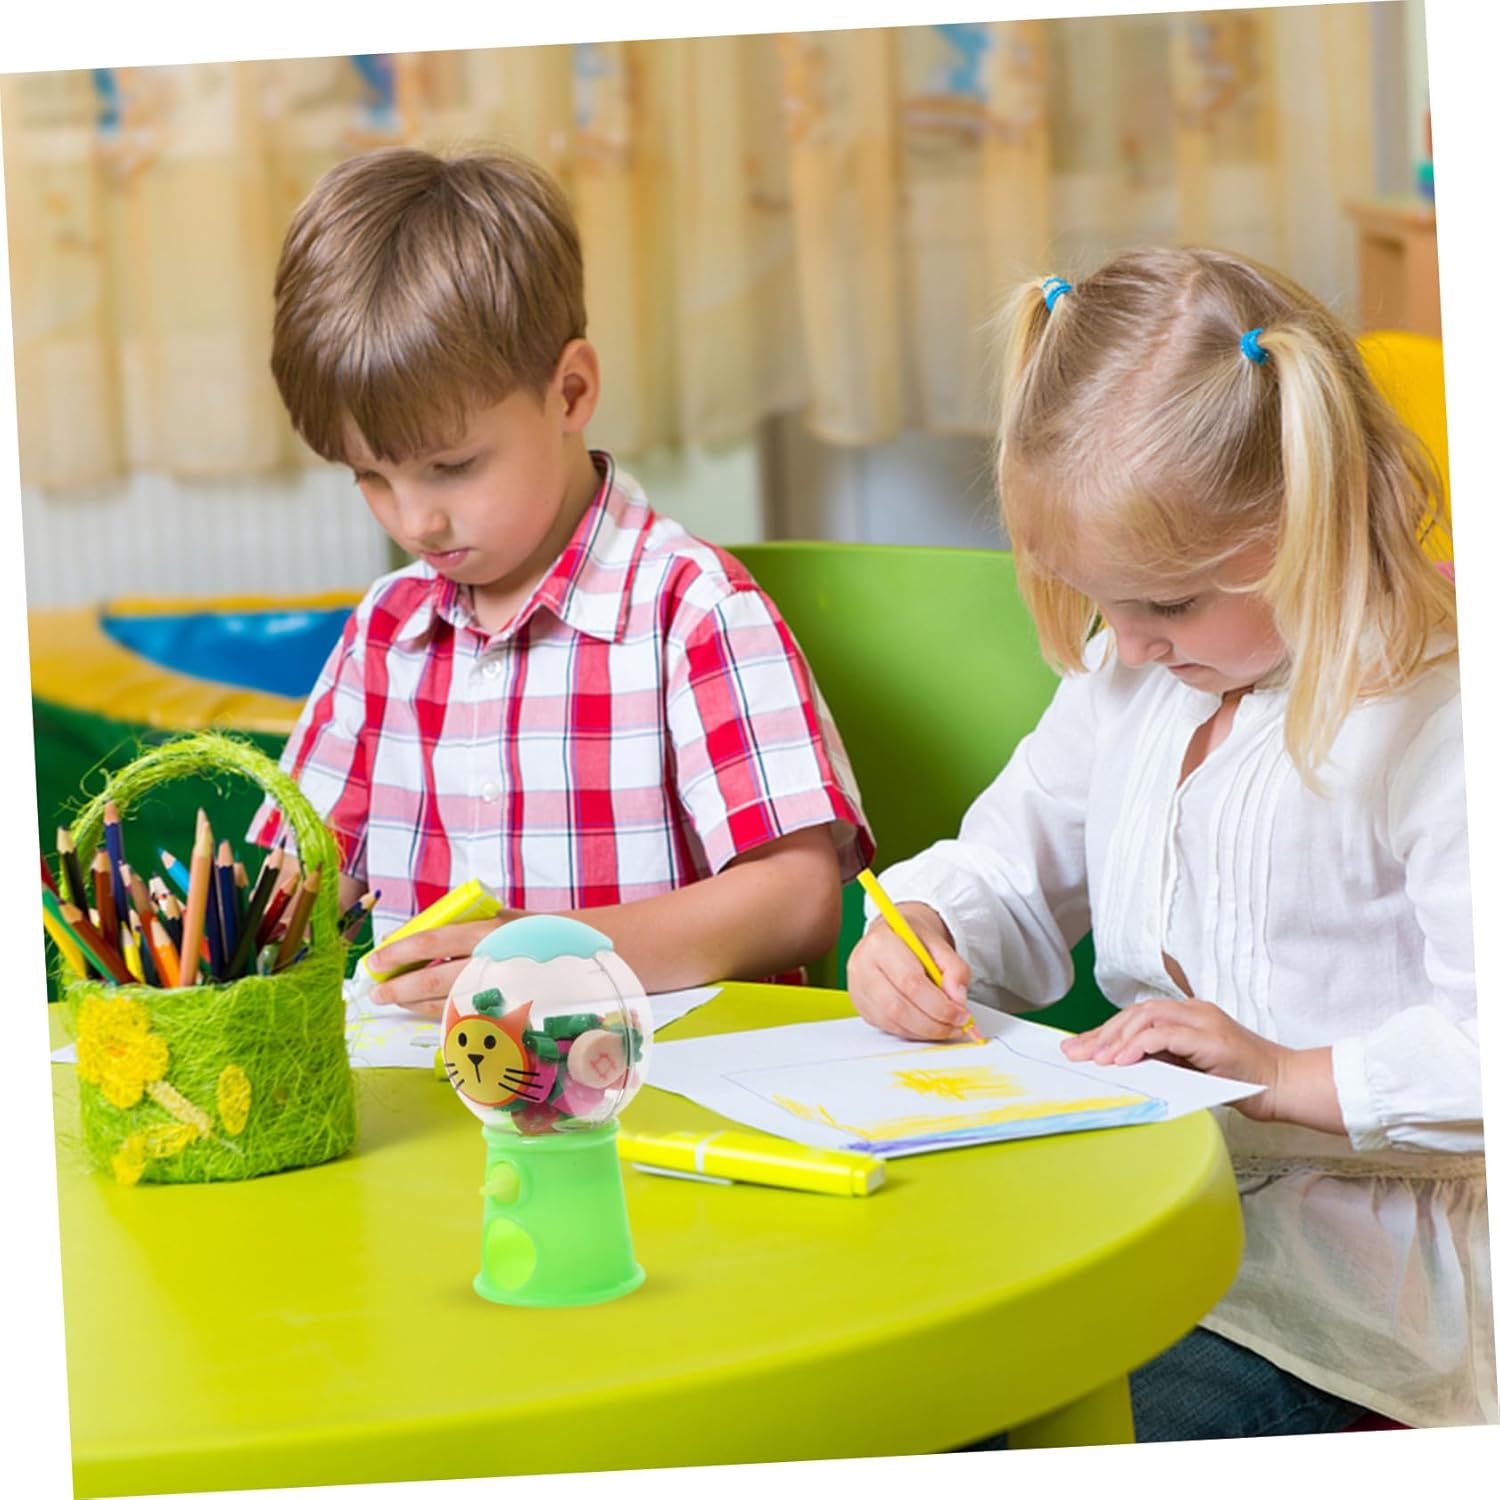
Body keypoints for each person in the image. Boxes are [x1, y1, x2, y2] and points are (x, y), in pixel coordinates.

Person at [847, 248, 1489, 1436]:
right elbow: (1012, 867)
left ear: (1312, 515)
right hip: (1157, 1205)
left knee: (1074, 1424)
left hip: (1361, 1291)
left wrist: (1286, 1075)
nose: (1128, 643)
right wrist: (929, 928)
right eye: (1102, 598)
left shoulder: (1436, 714)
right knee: (900, 1373)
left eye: (1169, 603)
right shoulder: (1137, 675)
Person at [249, 145, 872, 1005]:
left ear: (571, 392)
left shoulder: (689, 610)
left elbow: (797, 902)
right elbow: (296, 891)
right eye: (370, 476)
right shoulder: (386, 632)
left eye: (452, 467)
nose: (414, 521)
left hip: (658, 1073)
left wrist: (551, 956)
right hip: (433, 1075)